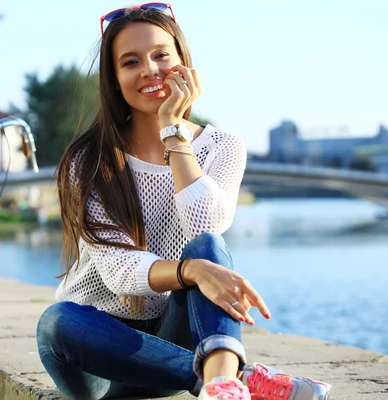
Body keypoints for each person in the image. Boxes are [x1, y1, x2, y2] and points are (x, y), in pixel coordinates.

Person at [36, 3, 332, 400]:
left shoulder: (222, 147)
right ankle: (230, 381)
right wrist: (191, 270)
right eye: (130, 62)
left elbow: (205, 227)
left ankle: (223, 382)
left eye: (161, 55)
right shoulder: (86, 160)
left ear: (183, 64)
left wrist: (173, 133)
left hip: (173, 339)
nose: (149, 70)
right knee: (56, 322)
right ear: (114, 79)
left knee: (209, 248)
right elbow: (118, 270)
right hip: (99, 357)